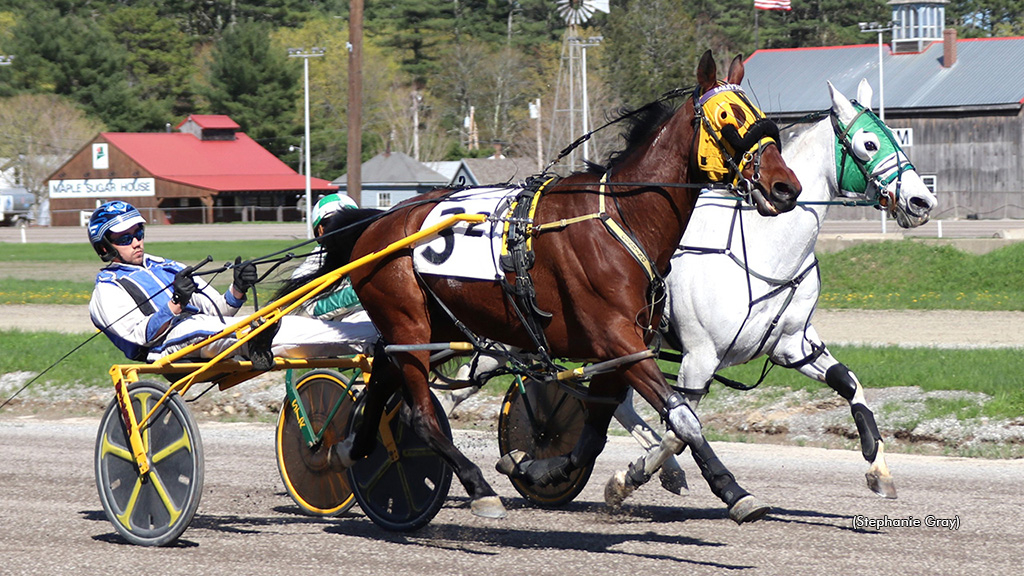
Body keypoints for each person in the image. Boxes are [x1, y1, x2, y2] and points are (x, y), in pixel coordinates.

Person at [87, 201, 377, 364]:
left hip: (211, 332)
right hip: (168, 346)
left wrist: (238, 288)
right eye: (124, 238)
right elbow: (139, 336)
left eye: (138, 233)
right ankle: (255, 340)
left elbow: (220, 312)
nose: (136, 242)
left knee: (274, 324)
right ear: (104, 248)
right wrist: (176, 304)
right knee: (203, 326)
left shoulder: (166, 266)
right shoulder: (107, 290)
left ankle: (374, 336)